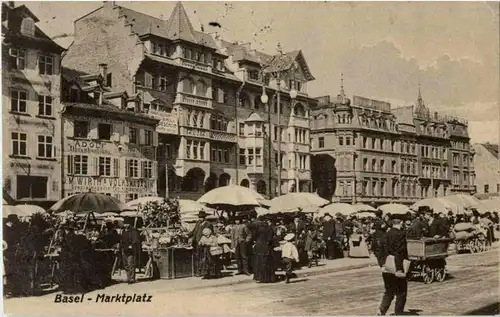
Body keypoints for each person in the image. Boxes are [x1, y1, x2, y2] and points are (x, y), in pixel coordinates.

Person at [377, 219, 409, 316]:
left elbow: (379, 251)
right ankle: (398, 313)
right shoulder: (401, 234)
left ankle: (382, 310)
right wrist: (399, 268)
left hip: (387, 265)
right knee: (401, 292)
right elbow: (399, 252)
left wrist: (382, 264)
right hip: (397, 265)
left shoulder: (385, 235)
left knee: (389, 290)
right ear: (401, 223)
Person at [189, 211, 214, 277]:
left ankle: (207, 272)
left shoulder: (208, 224)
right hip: (197, 243)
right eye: (199, 217)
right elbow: (194, 232)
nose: (200, 218)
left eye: (202, 217)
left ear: (204, 217)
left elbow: (211, 234)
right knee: (198, 257)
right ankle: (199, 271)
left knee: (206, 258)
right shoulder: (198, 223)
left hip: (205, 244)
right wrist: (188, 235)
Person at [253, 216, 276, 283]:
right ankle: (268, 278)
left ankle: (260, 277)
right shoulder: (269, 229)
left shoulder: (257, 229)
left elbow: (254, 237)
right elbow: (270, 239)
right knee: (267, 263)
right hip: (266, 247)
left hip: (258, 246)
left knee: (258, 262)